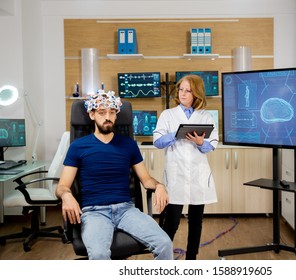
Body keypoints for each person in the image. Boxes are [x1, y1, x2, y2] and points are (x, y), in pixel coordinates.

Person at [55, 90, 173, 260]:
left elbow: (146, 180)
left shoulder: (129, 145)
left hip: (126, 210)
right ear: (92, 114)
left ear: (116, 115)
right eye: (102, 112)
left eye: (112, 112)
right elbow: (62, 186)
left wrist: (159, 186)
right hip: (94, 212)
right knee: (99, 254)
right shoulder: (78, 146)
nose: (107, 117)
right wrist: (66, 195)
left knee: (164, 243)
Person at [153, 74, 219, 260]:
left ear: (196, 93)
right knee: (171, 222)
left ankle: (192, 259)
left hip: (198, 175)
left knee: (196, 222)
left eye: (188, 90)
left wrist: (200, 142)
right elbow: (157, 141)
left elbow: (211, 144)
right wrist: (176, 134)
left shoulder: (205, 116)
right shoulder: (168, 115)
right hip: (175, 175)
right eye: (181, 89)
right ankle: (163, 260)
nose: (183, 93)